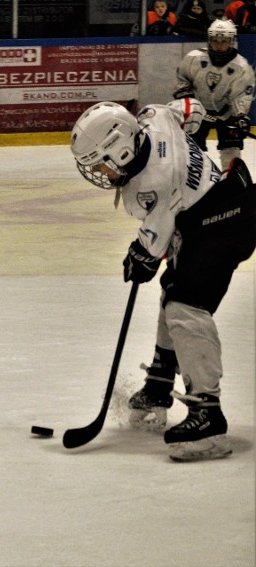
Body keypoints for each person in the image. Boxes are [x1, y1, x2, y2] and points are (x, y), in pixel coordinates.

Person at [70, 100, 255, 462]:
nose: (102, 174)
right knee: (173, 291)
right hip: (218, 207)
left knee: (185, 305)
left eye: (103, 164)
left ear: (121, 151)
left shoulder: (150, 183)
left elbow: (155, 239)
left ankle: (208, 416)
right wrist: (195, 133)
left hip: (223, 221)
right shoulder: (152, 119)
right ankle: (158, 384)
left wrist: (139, 256)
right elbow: (190, 107)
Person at [173, 18, 255, 170]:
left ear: (231, 42)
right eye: (215, 41)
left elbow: (242, 95)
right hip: (198, 113)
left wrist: (240, 117)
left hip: (227, 115)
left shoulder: (241, 67)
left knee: (231, 151)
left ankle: (232, 183)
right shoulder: (194, 58)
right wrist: (189, 102)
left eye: (224, 41)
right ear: (209, 40)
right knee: (192, 152)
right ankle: (195, 182)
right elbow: (182, 80)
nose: (219, 45)